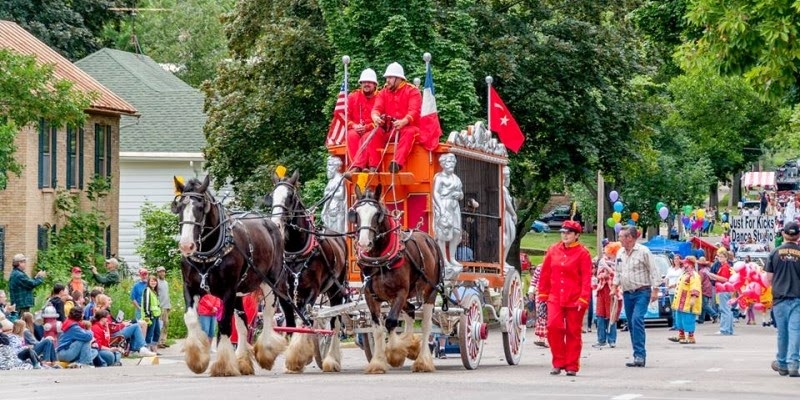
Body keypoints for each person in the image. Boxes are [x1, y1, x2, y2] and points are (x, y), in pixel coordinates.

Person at [537, 220, 592, 376]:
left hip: (575, 298)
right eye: (563, 232)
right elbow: (545, 274)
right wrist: (543, 294)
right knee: (553, 327)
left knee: (573, 332)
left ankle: (572, 366)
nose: (565, 235)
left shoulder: (583, 253)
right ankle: (558, 362)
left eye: (568, 233)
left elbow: (586, 278)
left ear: (576, 235)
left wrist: (584, 298)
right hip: (555, 296)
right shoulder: (553, 250)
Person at [612, 226, 661, 368]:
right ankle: (637, 355)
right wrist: (614, 287)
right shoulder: (620, 252)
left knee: (637, 319)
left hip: (642, 291)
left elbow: (654, 270)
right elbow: (618, 271)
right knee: (631, 323)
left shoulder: (643, 252)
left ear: (630, 238)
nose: (619, 238)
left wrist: (655, 290)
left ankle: (640, 354)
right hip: (628, 293)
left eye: (621, 236)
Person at [370, 62, 424, 173]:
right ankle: (373, 167)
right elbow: (376, 108)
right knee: (374, 133)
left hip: (410, 129)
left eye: (390, 77)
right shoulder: (383, 92)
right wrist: (375, 117)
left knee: (409, 132)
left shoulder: (412, 91)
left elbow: (414, 111)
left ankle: (397, 163)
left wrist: (404, 121)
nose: (387, 80)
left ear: (399, 78)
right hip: (391, 130)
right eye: (386, 78)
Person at [765, 221, 800, 377]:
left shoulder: (774, 253)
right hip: (798, 297)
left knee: (782, 333)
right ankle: (793, 364)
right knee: (795, 331)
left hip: (779, 298)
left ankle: (782, 363)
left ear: (784, 234)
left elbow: (768, 278)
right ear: (798, 235)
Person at [433, 153, 464, 277]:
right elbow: (435, 193)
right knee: (443, 233)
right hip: (444, 204)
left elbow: (461, 193)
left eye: (452, 162)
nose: (451, 164)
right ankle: (444, 259)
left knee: (456, 232)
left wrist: (459, 195)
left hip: (454, 205)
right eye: (448, 162)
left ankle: (452, 258)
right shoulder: (439, 177)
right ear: (443, 164)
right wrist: (441, 208)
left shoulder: (456, 178)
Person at [346, 68, 381, 171]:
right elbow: (345, 117)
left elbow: (382, 118)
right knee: (351, 135)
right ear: (360, 83)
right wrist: (354, 125)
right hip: (356, 130)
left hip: (373, 130)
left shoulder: (380, 97)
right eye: (364, 82)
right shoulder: (353, 96)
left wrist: (367, 127)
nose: (366, 84)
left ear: (375, 84)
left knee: (368, 136)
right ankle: (357, 167)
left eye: (369, 82)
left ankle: (370, 166)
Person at [593, 242, 622, 349]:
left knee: (612, 317)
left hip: (613, 292)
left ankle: (612, 340)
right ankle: (601, 339)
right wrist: (603, 274)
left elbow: (619, 274)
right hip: (602, 290)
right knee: (600, 316)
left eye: (611, 253)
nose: (609, 254)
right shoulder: (603, 260)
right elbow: (598, 274)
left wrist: (609, 270)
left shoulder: (619, 261)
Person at [669, 256, 702, 344]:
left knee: (688, 318)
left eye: (685, 264)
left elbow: (695, 286)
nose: (683, 265)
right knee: (679, 318)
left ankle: (691, 337)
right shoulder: (684, 274)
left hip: (687, 301)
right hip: (680, 301)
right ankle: (681, 335)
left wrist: (693, 298)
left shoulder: (694, 275)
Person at [321, 156, 347, 234]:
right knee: (329, 230)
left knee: (338, 232)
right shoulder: (331, 180)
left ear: (336, 167)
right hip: (329, 207)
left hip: (338, 208)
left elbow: (341, 194)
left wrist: (329, 194)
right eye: (328, 165)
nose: (328, 168)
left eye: (330, 165)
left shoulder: (340, 179)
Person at [713, 250, 735, 336]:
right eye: (719, 256)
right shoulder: (726, 266)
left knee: (724, 310)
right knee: (728, 310)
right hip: (726, 290)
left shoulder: (725, 267)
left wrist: (714, 276)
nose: (720, 258)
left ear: (726, 257)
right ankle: (728, 329)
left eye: (722, 256)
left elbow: (725, 279)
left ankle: (724, 329)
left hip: (723, 289)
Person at [502, 166, 517, 272]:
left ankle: (504, 260)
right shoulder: (503, 188)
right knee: (508, 237)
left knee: (510, 237)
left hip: (507, 215)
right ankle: (502, 261)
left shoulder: (504, 188)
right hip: (506, 215)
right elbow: (507, 203)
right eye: (507, 176)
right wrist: (513, 214)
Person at [141, 274, 162, 354]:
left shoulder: (154, 291)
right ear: (149, 282)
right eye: (151, 281)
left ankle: (154, 348)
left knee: (157, 333)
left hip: (156, 315)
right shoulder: (147, 290)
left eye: (155, 281)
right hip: (150, 316)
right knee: (149, 333)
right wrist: (148, 316)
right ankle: (147, 349)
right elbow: (146, 304)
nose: (153, 283)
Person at [697, 257, 720, 324]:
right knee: (703, 304)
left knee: (704, 304)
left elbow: (700, 281)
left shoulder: (701, 271)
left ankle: (714, 315)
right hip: (710, 287)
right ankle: (701, 319)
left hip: (704, 288)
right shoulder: (708, 269)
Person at [530, 264, 548, 347]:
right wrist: (531, 292)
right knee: (541, 316)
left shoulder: (556, 265)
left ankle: (548, 339)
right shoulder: (539, 267)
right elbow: (534, 281)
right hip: (540, 294)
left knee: (549, 317)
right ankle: (542, 338)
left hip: (551, 294)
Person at [665, 253, 684, 330]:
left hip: (678, 290)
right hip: (671, 291)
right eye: (674, 259)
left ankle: (679, 324)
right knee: (673, 308)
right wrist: (667, 286)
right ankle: (674, 324)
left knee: (678, 308)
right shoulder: (670, 269)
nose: (676, 260)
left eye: (677, 259)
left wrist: (673, 285)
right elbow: (667, 278)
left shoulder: (682, 270)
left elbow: (682, 280)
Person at [155, 267, 171, 348]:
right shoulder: (156, 282)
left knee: (166, 324)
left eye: (163, 272)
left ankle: (163, 340)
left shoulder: (166, 282)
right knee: (160, 325)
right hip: (160, 306)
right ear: (157, 273)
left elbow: (166, 294)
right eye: (160, 272)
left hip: (166, 306)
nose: (161, 273)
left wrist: (169, 305)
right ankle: (158, 342)